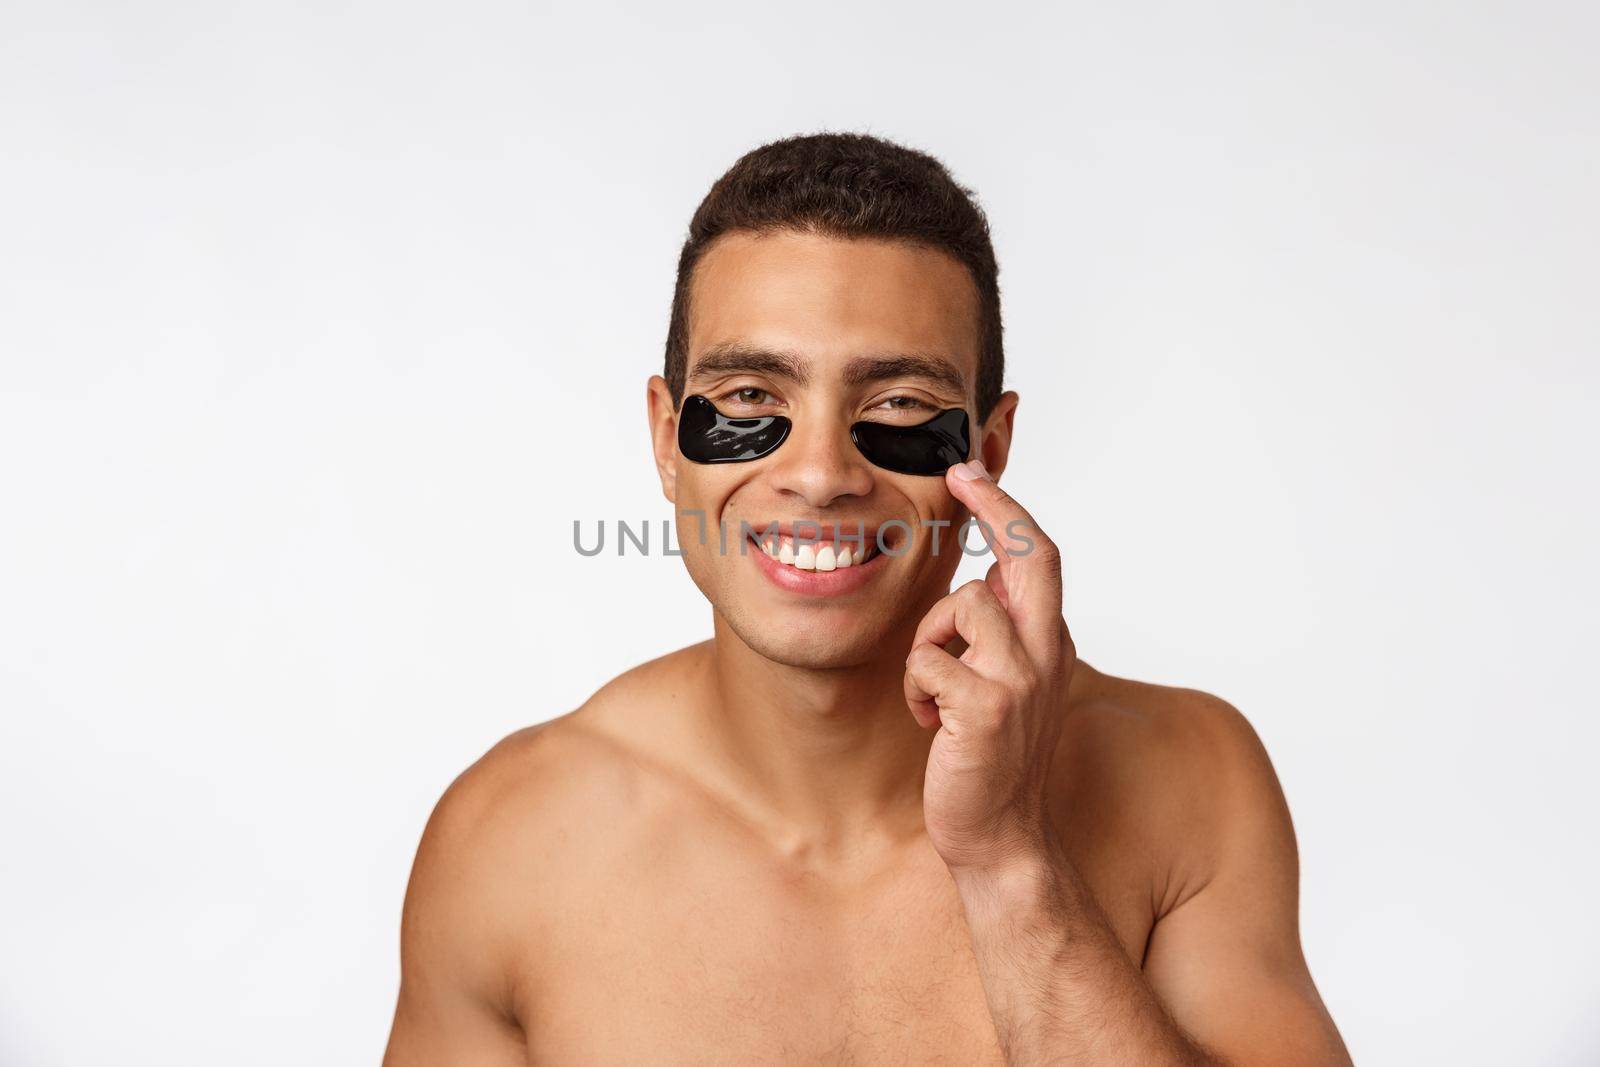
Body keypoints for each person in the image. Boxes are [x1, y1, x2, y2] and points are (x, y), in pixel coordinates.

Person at [382, 132, 1352, 1065]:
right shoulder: (507, 839)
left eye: (895, 407)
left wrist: (1011, 863)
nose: (818, 473)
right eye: (752, 399)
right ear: (664, 437)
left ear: (988, 450)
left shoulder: (1188, 782)